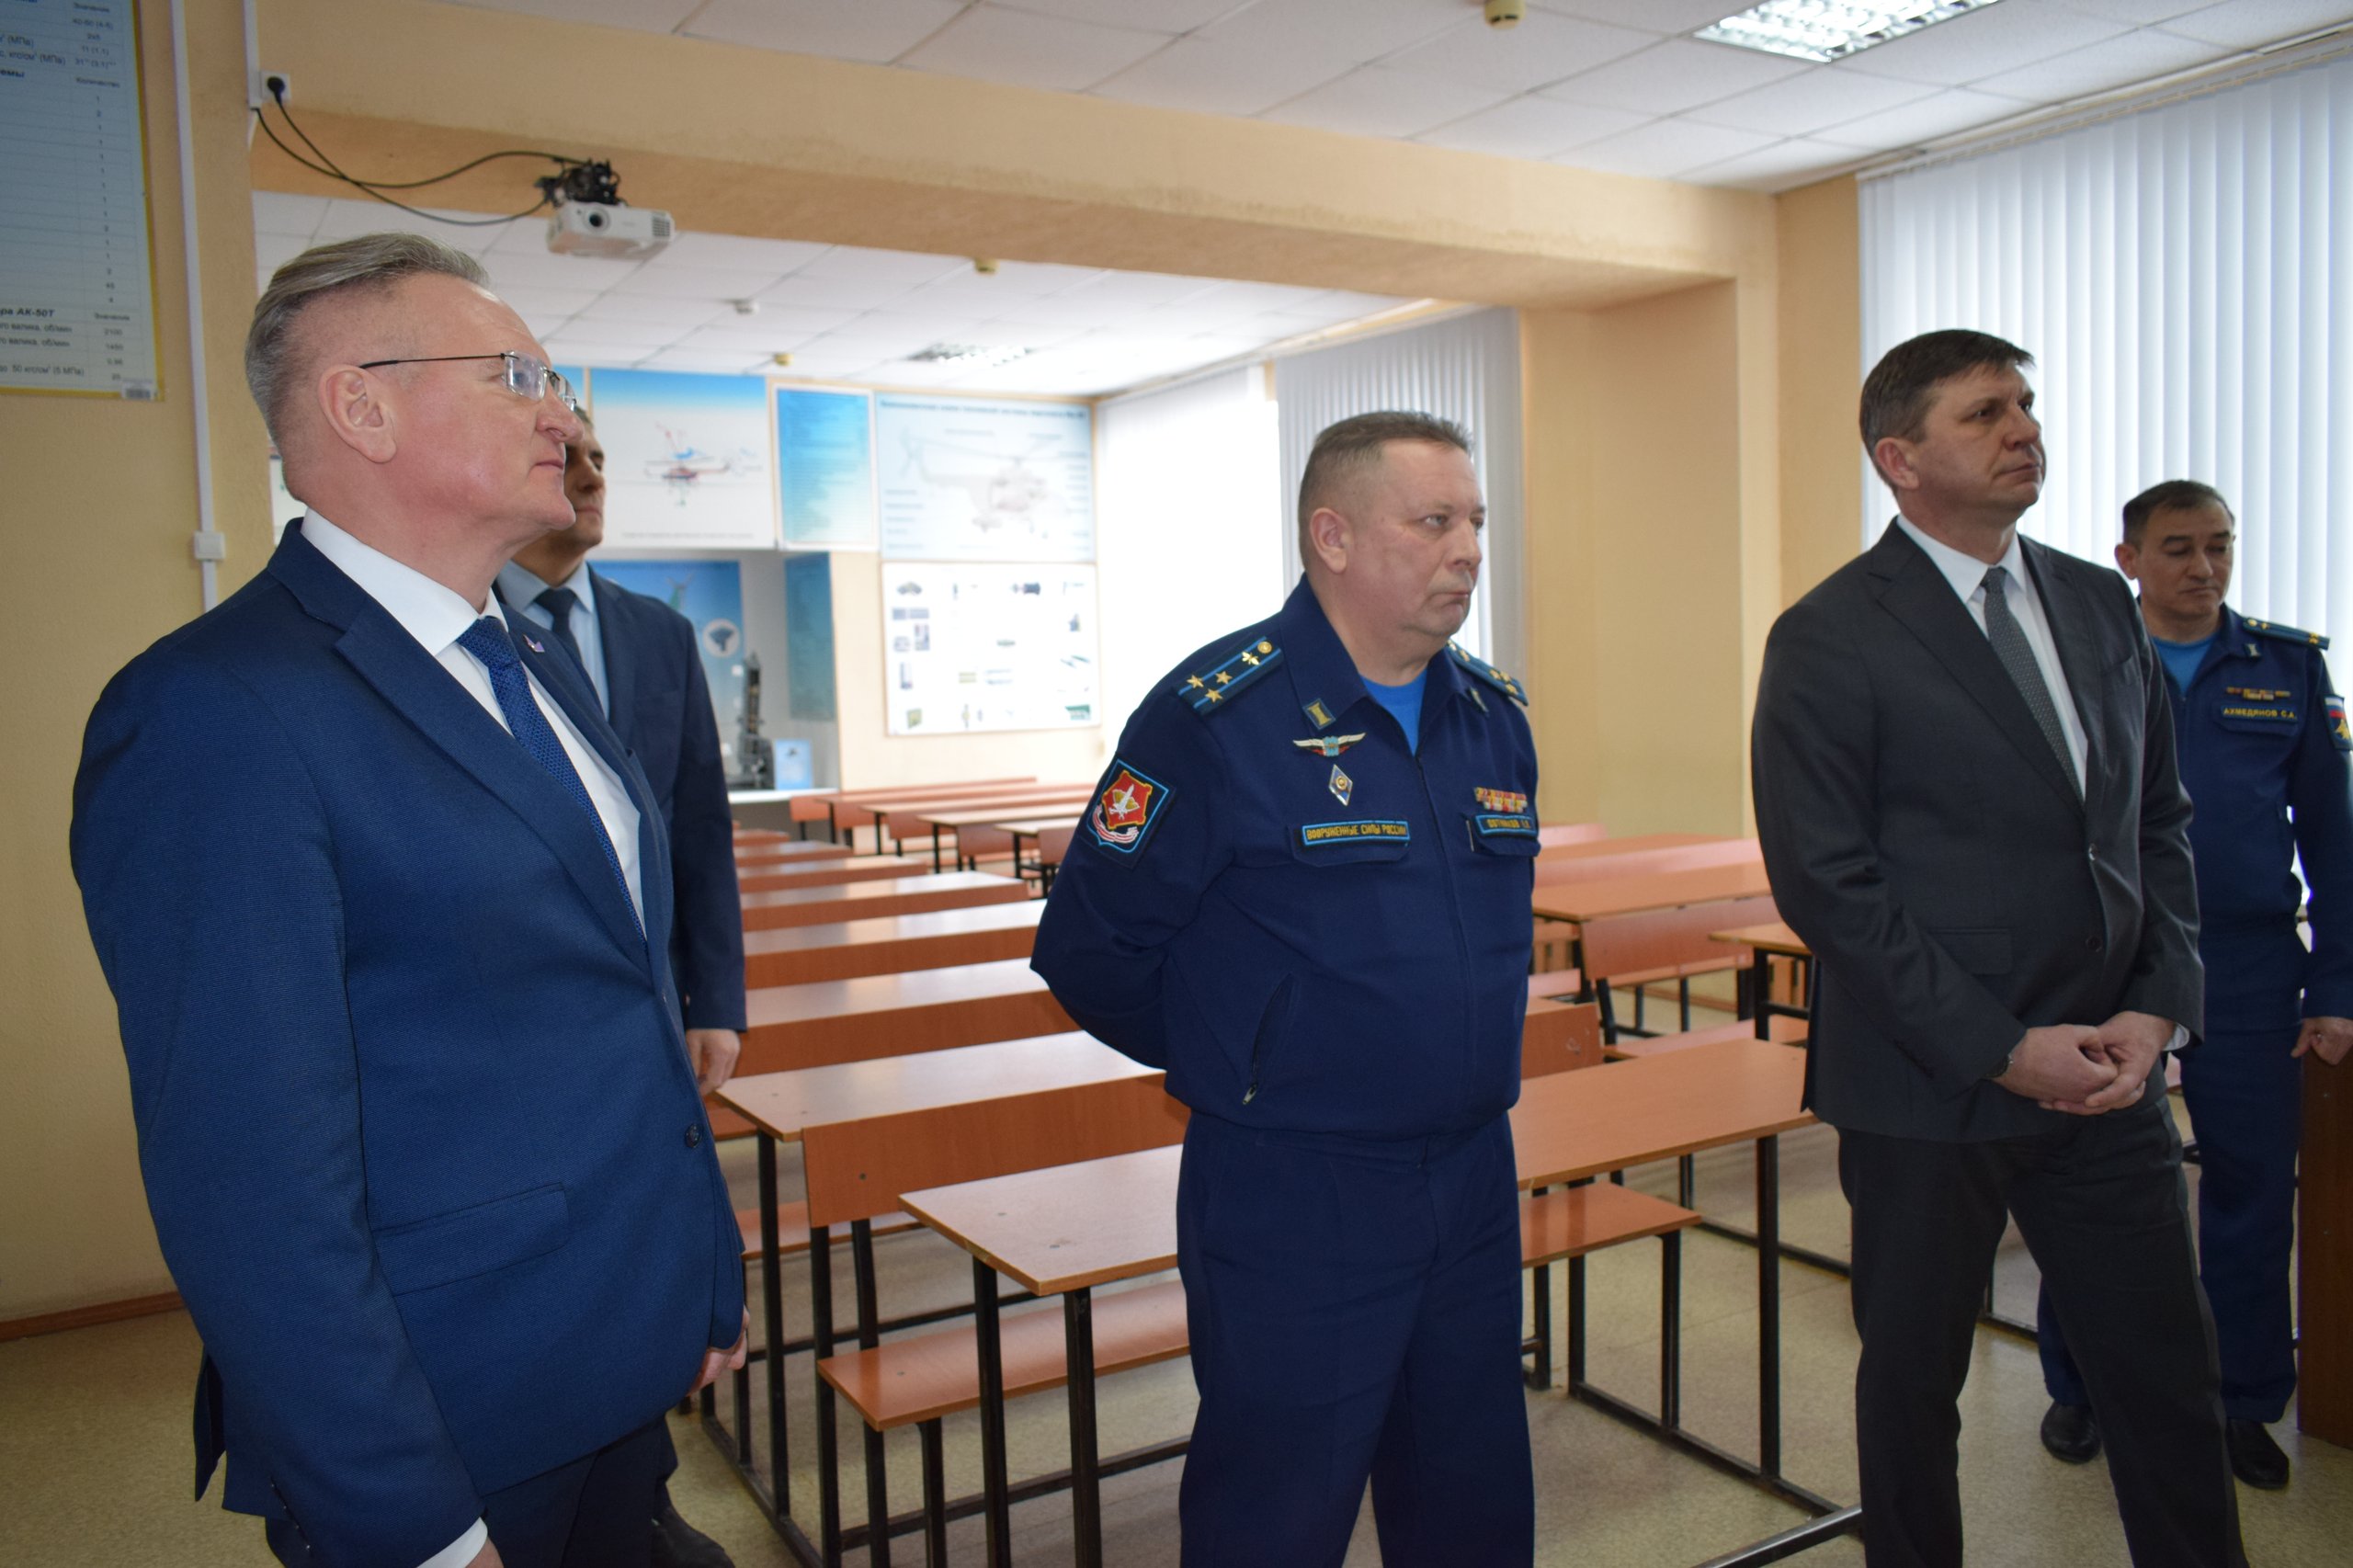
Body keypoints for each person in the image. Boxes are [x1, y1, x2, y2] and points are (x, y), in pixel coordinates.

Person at [72, 233, 746, 1568]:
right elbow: (250, 1179)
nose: (564, 418)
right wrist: (410, 1522)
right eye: (516, 375)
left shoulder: (522, 653)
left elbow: (610, 1000)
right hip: (447, 1400)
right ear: (360, 407)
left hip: (609, 1344)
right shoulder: (216, 710)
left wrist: (697, 1271)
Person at [1751, 330, 2245, 1567]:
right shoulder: (1829, 634)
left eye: (2023, 404)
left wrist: (2156, 1006)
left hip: (2108, 1065)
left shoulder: (2094, 602)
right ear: (1899, 458)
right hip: (1929, 1078)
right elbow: (1829, 883)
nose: (2022, 428)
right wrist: (2001, 1045)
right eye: (1983, 413)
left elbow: (2155, 823)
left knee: (2166, 1375)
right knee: (1914, 1389)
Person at [1031, 411, 1539, 1568]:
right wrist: (1251, 1059)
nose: (1467, 549)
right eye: (1433, 521)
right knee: (1277, 1508)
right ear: (1333, 537)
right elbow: (1092, 946)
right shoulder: (1215, 714)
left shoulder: (1490, 716)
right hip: (1296, 1182)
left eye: (1474, 521)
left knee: (1469, 1494)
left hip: (1469, 1169)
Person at [2032, 480, 2353, 1488]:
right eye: (2178, 548)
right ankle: (2079, 1383)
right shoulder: (2079, 660)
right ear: (2128, 560)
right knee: (2087, 1182)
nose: (2204, 567)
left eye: (2219, 545)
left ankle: (2244, 1400)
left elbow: (2335, 841)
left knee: (2251, 1193)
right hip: (2110, 962)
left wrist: (2336, 985)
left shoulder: (2286, 667)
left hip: (2248, 968)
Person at [497, 415, 745, 1568]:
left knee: (639, 1229)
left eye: (600, 458)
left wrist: (715, 996)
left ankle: (633, 1480)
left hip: (651, 1005)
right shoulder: (462, 625)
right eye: (569, 456)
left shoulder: (654, 630)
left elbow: (701, 826)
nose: (589, 474)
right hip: (543, 1022)